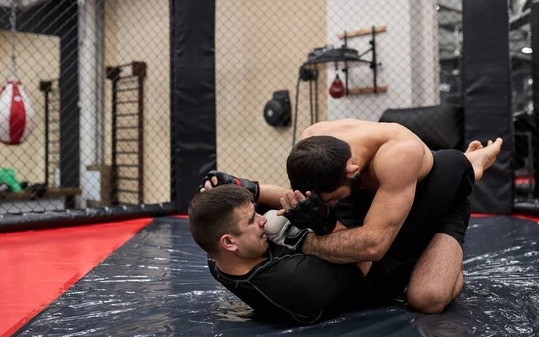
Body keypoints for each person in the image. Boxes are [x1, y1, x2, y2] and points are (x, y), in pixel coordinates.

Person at [191, 119, 502, 322]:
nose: (262, 220)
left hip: (427, 175)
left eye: (255, 214)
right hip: (377, 187)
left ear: (352, 171)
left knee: (427, 297)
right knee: (423, 293)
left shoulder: (397, 157)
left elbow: (372, 248)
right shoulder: (314, 143)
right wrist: (251, 189)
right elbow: (305, 202)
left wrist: (308, 230)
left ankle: (468, 169)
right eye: (252, 218)